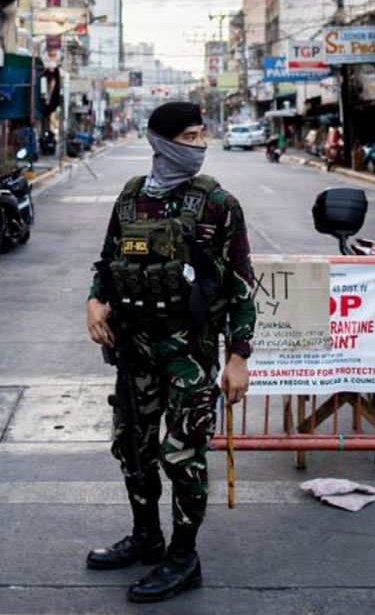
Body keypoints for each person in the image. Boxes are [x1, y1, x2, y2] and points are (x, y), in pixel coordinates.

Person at [85, 101, 257, 604]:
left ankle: (184, 557)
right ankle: (146, 536)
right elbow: (108, 259)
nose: (199, 144)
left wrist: (239, 355)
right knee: (134, 447)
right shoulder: (131, 198)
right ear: (160, 142)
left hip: (189, 353)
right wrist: (95, 301)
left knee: (182, 455)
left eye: (203, 134)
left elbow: (242, 285)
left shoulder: (218, 203)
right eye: (188, 135)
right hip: (133, 348)